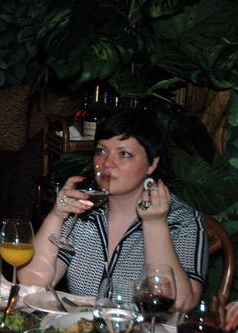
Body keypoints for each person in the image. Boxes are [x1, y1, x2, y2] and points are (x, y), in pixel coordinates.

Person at [21, 109, 208, 309]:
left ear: (152, 164)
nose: (107, 163)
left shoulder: (182, 221)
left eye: (124, 154)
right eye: (101, 151)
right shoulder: (84, 211)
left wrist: (154, 224)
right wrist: (57, 215)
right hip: (81, 327)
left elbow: (180, 303)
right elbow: (33, 284)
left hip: (144, 329)